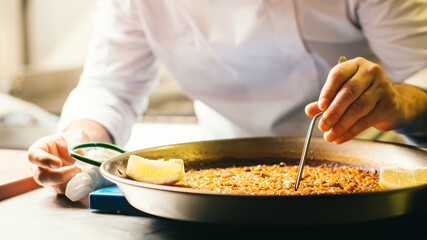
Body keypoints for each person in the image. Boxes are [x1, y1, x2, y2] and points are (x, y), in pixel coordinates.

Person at [28, 0, 427, 195]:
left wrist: (399, 102)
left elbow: (421, 73)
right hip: (214, 177)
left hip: (374, 174)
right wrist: (78, 143)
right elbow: (110, 86)